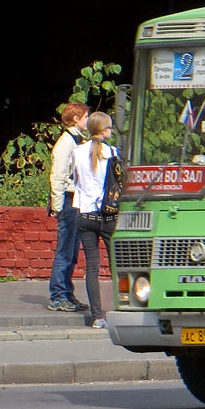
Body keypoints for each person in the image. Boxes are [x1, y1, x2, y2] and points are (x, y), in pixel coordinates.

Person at [70, 111, 118, 329]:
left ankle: (97, 316)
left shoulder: (78, 151)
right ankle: (124, 308)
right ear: (104, 129)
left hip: (84, 214)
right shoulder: (112, 152)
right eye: (109, 127)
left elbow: (75, 179)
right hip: (107, 215)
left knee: (92, 267)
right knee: (118, 264)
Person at [47, 102, 89, 312]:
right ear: (76, 119)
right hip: (68, 200)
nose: (88, 120)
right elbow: (58, 176)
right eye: (85, 116)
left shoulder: (78, 140)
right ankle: (57, 295)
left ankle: (67, 292)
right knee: (65, 249)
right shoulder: (66, 142)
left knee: (73, 250)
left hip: (77, 200)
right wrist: (57, 205)